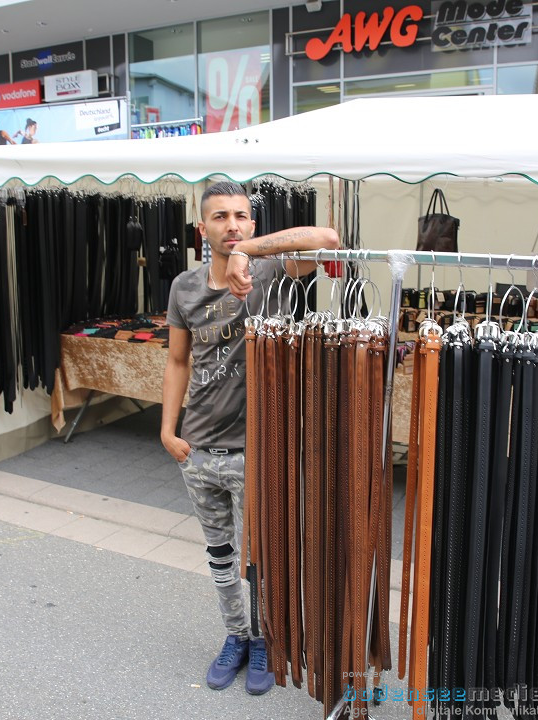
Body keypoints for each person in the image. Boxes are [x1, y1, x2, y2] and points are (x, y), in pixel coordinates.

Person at [161, 181, 339, 695]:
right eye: (220, 217)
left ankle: (264, 639)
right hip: (197, 450)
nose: (231, 224)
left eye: (241, 216)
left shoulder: (270, 273)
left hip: (257, 451)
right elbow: (177, 360)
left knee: (257, 557)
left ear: (253, 225)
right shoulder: (184, 288)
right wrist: (167, 430)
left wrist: (247, 254)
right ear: (203, 227)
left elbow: (327, 238)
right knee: (219, 554)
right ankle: (235, 636)